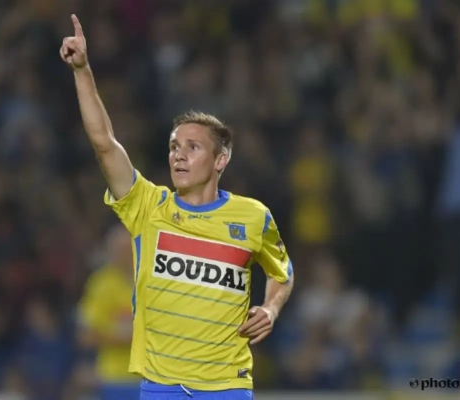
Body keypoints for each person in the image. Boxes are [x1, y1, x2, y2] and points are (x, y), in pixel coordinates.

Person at [60, 14, 294, 400]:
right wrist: (82, 70)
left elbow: (282, 273)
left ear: (220, 160)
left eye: (192, 147)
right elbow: (104, 142)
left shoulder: (253, 217)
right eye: (173, 147)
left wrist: (270, 308)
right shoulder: (148, 206)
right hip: (161, 386)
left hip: (226, 387)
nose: (178, 155)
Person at [78, 225, 140, 400]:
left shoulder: (152, 280)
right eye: (119, 250)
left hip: (151, 377)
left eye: (128, 249)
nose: (124, 255)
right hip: (115, 378)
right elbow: (86, 335)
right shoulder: (100, 284)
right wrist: (126, 339)